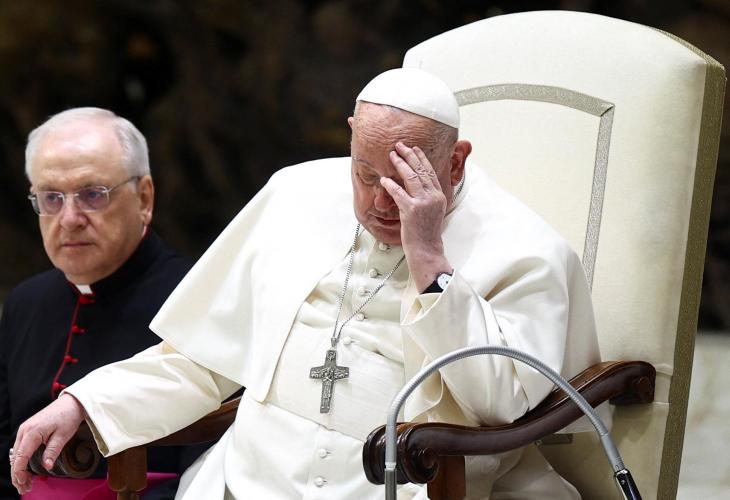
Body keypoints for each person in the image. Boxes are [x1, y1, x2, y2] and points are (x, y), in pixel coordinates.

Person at [11, 70, 604, 499]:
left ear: (455, 161)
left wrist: (429, 260)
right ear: (350, 138)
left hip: (405, 483)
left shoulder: (526, 249)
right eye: (364, 174)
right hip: (248, 479)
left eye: (404, 178)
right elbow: (202, 364)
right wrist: (86, 400)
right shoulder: (294, 194)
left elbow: (499, 406)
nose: (380, 203)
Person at [0, 108, 206, 499]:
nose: (69, 219)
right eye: (51, 198)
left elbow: (206, 468)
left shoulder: (197, 298)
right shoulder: (26, 302)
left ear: (144, 198)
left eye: (92, 194)